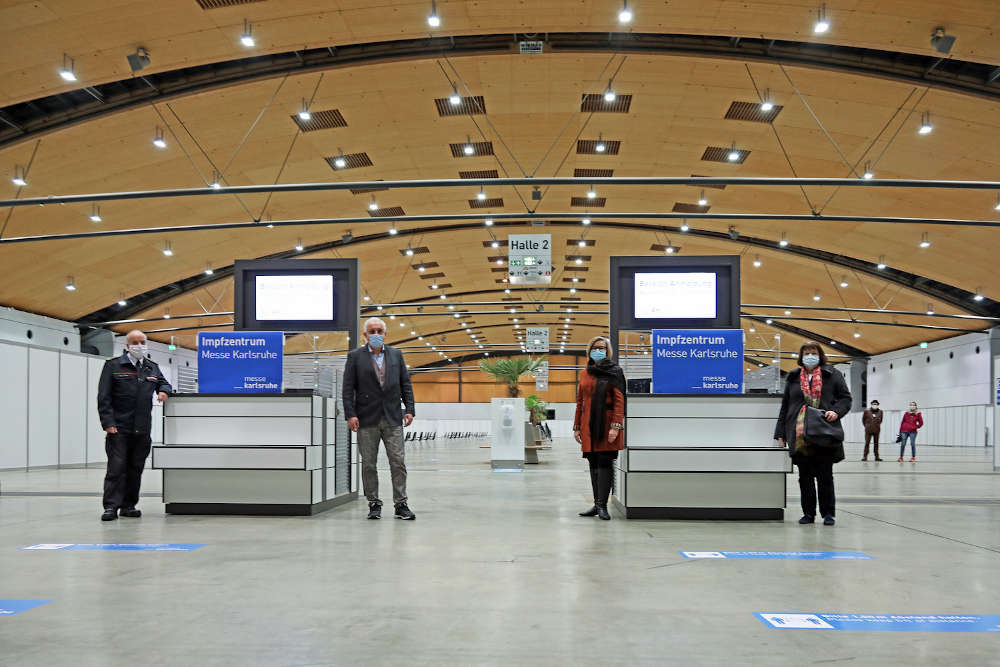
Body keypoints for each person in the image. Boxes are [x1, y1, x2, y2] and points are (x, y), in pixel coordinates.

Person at [343, 317, 416, 520]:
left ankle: (401, 504)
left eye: (379, 331)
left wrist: (409, 408)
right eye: (372, 331)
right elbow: (348, 389)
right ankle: (373, 503)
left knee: (398, 461)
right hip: (366, 418)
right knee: (368, 463)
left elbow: (405, 384)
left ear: (385, 333)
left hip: (393, 417)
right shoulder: (355, 357)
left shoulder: (396, 355)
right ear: (365, 335)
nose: (376, 334)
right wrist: (351, 414)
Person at [96, 330, 172, 522]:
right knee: (116, 468)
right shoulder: (113, 365)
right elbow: (104, 397)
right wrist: (108, 423)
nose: (139, 345)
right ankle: (111, 507)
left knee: (135, 468)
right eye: (135, 342)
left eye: (142, 341)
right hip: (119, 428)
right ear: (127, 346)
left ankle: (129, 506)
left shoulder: (151, 367)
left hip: (142, 428)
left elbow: (164, 383)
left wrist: (163, 391)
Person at [774, 341, 852, 526]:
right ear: (801, 357)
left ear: (820, 355)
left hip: (824, 431)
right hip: (799, 434)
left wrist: (836, 411)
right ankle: (808, 513)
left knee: (825, 476)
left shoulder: (832, 375)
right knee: (805, 477)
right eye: (806, 353)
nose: (810, 356)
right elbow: (786, 405)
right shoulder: (793, 377)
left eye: (813, 352)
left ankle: (828, 514)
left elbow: (845, 398)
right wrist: (780, 432)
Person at [574, 336, 626, 521]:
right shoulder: (584, 373)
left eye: (602, 348)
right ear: (589, 350)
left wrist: (616, 426)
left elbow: (620, 402)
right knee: (593, 464)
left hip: (607, 424)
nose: (599, 350)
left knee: (604, 464)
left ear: (607, 351)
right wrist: (577, 427)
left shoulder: (615, 371)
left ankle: (603, 506)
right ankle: (597, 505)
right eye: (595, 347)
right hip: (588, 425)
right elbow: (580, 401)